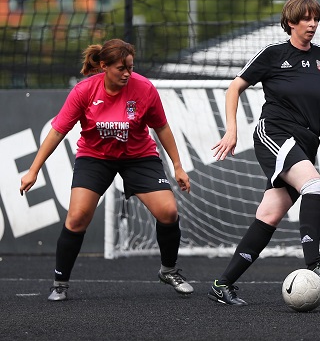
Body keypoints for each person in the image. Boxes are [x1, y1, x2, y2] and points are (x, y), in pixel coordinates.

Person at [209, 0, 320, 306]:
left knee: (269, 214)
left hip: (306, 141)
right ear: (290, 22)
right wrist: (232, 129)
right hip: (274, 132)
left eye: (315, 19)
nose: (312, 24)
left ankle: (222, 284)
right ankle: (315, 264)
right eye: (306, 19)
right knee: (315, 185)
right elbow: (234, 88)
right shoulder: (273, 54)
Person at [19, 39, 193, 301]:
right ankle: (60, 283)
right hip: (95, 157)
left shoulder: (144, 88)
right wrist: (34, 169)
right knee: (77, 218)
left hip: (138, 156)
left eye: (130, 68)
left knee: (168, 212)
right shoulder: (84, 91)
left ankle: (168, 270)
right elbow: (57, 131)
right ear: (104, 66)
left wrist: (178, 166)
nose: (127, 74)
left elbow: (162, 128)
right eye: (121, 68)